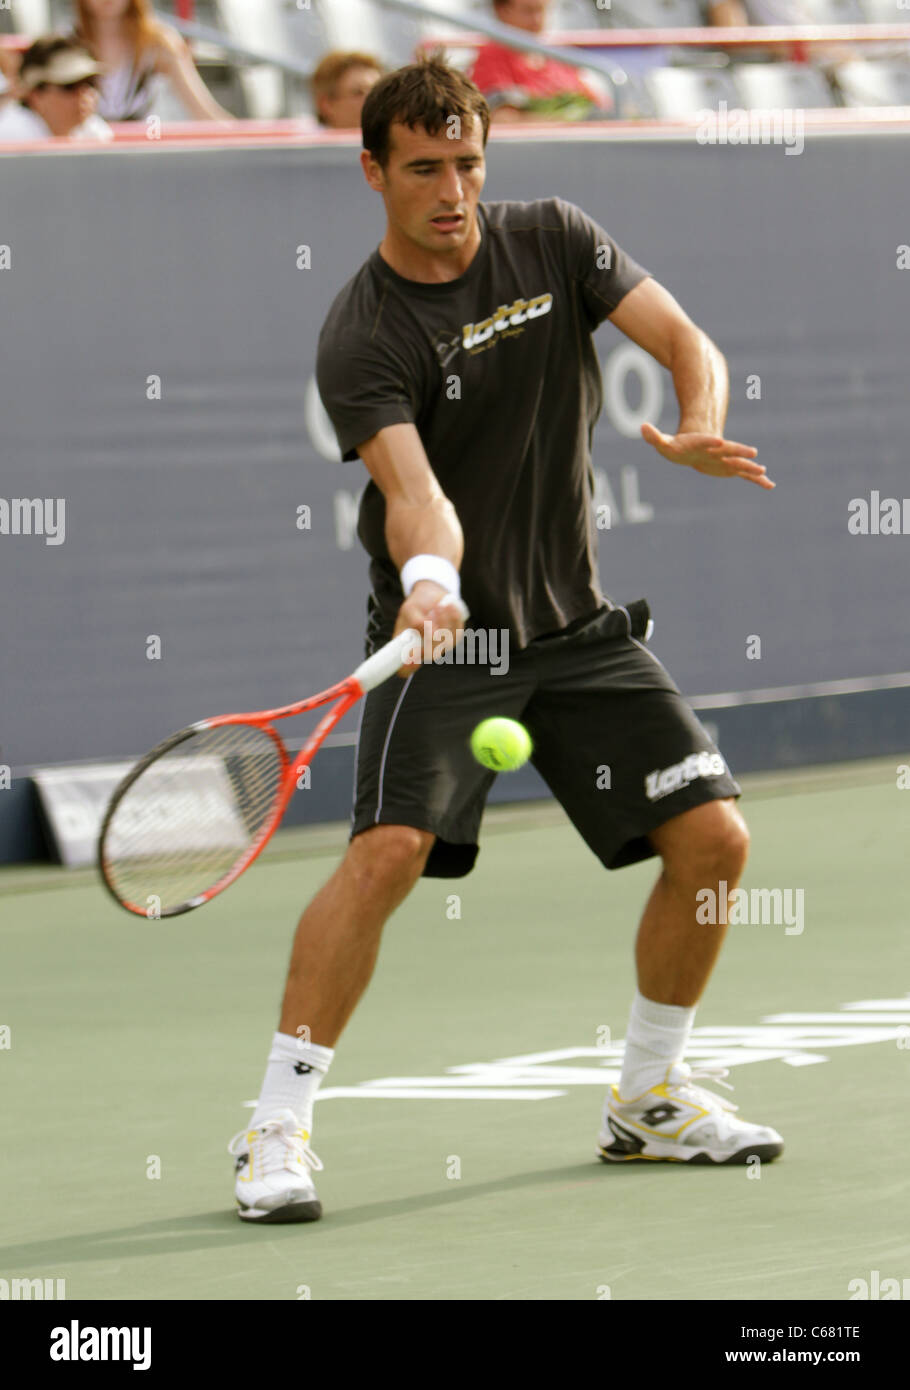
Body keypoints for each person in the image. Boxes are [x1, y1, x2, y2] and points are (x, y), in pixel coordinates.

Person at [228, 55, 782, 1225]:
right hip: (450, 647)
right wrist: (431, 579)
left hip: (577, 629)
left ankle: (647, 1099)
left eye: (468, 162)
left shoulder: (554, 239)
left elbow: (687, 339)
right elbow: (410, 490)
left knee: (716, 841)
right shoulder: (362, 333)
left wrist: (698, 423)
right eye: (423, 168)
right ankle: (275, 1127)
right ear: (372, 170)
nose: (451, 189)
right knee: (382, 858)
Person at [71, 0, 233, 123]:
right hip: (87, 159)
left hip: (147, 157)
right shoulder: (67, 45)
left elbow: (205, 113)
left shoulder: (159, 44)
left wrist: (248, 140)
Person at [470, 0, 611, 121]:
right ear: (502, 11)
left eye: (541, 11)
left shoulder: (557, 54)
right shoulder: (492, 56)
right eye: (528, 11)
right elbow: (501, 118)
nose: (537, 20)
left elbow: (600, 104)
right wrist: (566, 123)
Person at [0, 35, 112, 142]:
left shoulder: (94, 131)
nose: (84, 93)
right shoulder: (10, 135)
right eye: (69, 85)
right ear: (35, 95)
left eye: (90, 83)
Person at [311, 51, 383, 129]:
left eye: (377, 92)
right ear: (326, 105)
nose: (374, 101)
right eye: (358, 93)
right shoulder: (305, 139)